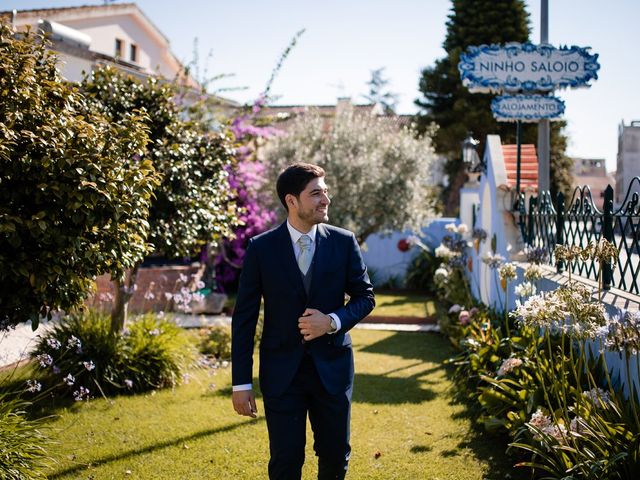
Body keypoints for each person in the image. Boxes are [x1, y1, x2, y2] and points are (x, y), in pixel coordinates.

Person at [231, 162, 375, 480]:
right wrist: (241, 383)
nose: (325, 200)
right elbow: (244, 319)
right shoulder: (261, 249)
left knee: (336, 457)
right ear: (291, 201)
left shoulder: (343, 242)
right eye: (316, 194)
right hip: (282, 375)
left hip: (333, 372)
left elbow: (366, 298)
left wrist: (333, 321)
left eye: (325, 192)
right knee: (285, 462)